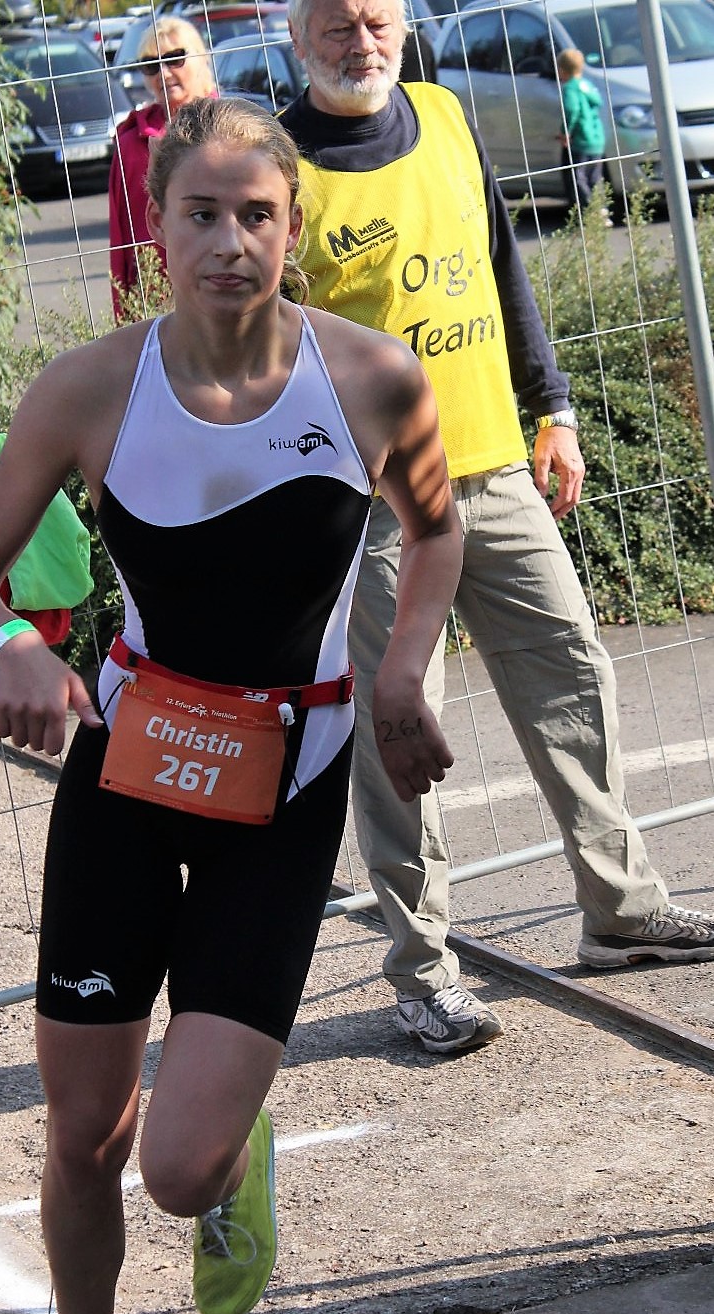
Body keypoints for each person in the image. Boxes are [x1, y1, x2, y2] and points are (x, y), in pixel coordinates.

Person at [0, 95, 462, 1314]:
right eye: (202, 214)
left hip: (285, 791)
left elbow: (438, 528)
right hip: (127, 773)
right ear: (155, 226)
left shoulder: (372, 378)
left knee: (175, 1167)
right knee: (84, 1130)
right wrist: (17, 649)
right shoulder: (90, 388)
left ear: (295, 226)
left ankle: (231, 1152)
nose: (230, 242)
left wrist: (403, 671)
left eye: (258, 215)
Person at [280, 0, 714, 1055]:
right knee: (398, 731)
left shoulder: (442, 115)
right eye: (335, 26)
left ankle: (618, 911)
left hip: (494, 467)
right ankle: (424, 970)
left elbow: (501, 268)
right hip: (377, 507)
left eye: (375, 19)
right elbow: (267, 346)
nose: (359, 42)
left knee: (571, 672)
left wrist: (552, 407)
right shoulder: (282, 167)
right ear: (296, 35)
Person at [108, 15, 215, 318]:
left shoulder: (236, 127)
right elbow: (121, 240)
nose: (164, 73)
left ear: (201, 58)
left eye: (174, 58)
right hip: (157, 300)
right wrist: (126, 315)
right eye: (151, 65)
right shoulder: (131, 144)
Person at [557, 47, 609, 218]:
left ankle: (589, 211)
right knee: (595, 176)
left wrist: (565, 132)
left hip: (581, 139)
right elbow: (597, 103)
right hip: (596, 139)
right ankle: (601, 208)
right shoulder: (587, 85)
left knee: (577, 177)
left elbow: (572, 110)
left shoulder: (570, 88)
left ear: (562, 70)